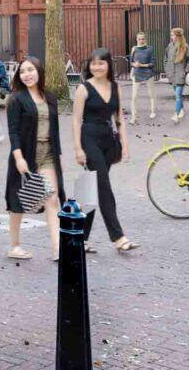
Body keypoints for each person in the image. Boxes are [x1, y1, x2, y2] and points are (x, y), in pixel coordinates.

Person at [72, 48, 137, 252]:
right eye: (93, 63)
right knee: (104, 187)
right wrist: (78, 149)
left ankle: (79, 238)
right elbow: (75, 120)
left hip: (108, 140)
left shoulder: (115, 87)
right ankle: (118, 237)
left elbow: (119, 119)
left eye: (101, 63)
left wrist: (125, 145)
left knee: (91, 189)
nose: (97, 67)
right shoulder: (83, 89)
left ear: (109, 64)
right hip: (89, 138)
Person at [5, 57, 65, 261]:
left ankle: (58, 248)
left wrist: (58, 157)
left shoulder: (49, 97)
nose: (27, 74)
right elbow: (13, 132)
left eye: (30, 70)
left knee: (52, 199)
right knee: (18, 203)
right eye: (22, 71)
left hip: (47, 154)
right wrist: (18, 157)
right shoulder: (16, 99)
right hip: (25, 154)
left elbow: (54, 128)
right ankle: (14, 245)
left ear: (39, 71)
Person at [127, 31, 158, 120]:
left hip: (148, 73)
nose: (141, 41)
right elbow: (131, 62)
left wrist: (142, 65)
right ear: (137, 39)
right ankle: (134, 116)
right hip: (137, 73)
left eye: (143, 39)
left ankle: (152, 111)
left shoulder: (150, 49)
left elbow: (153, 63)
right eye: (139, 39)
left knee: (151, 94)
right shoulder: (134, 49)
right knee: (134, 96)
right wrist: (134, 65)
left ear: (145, 39)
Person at [165, 28, 189, 123]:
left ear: (178, 36)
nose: (171, 37)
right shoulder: (169, 46)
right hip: (172, 74)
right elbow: (166, 58)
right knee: (177, 95)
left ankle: (176, 114)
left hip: (180, 74)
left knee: (178, 95)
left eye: (173, 35)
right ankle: (182, 110)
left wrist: (186, 71)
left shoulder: (185, 46)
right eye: (171, 35)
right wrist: (167, 69)